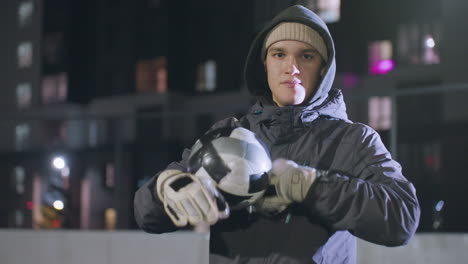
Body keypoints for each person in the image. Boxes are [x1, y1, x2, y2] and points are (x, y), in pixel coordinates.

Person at [134, 5, 420, 264]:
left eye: (306, 56)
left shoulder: (355, 140)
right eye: (279, 54)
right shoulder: (227, 136)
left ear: (323, 67)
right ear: (265, 64)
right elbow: (146, 213)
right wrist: (164, 191)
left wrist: (308, 186)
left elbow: (403, 218)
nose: (291, 68)